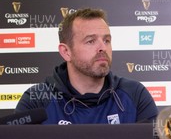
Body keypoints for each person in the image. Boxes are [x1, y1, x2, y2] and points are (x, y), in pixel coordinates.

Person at [16, 8, 158, 124]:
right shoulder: (36, 100)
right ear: (66, 52)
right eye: (91, 41)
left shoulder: (135, 94)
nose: (103, 47)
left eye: (106, 40)